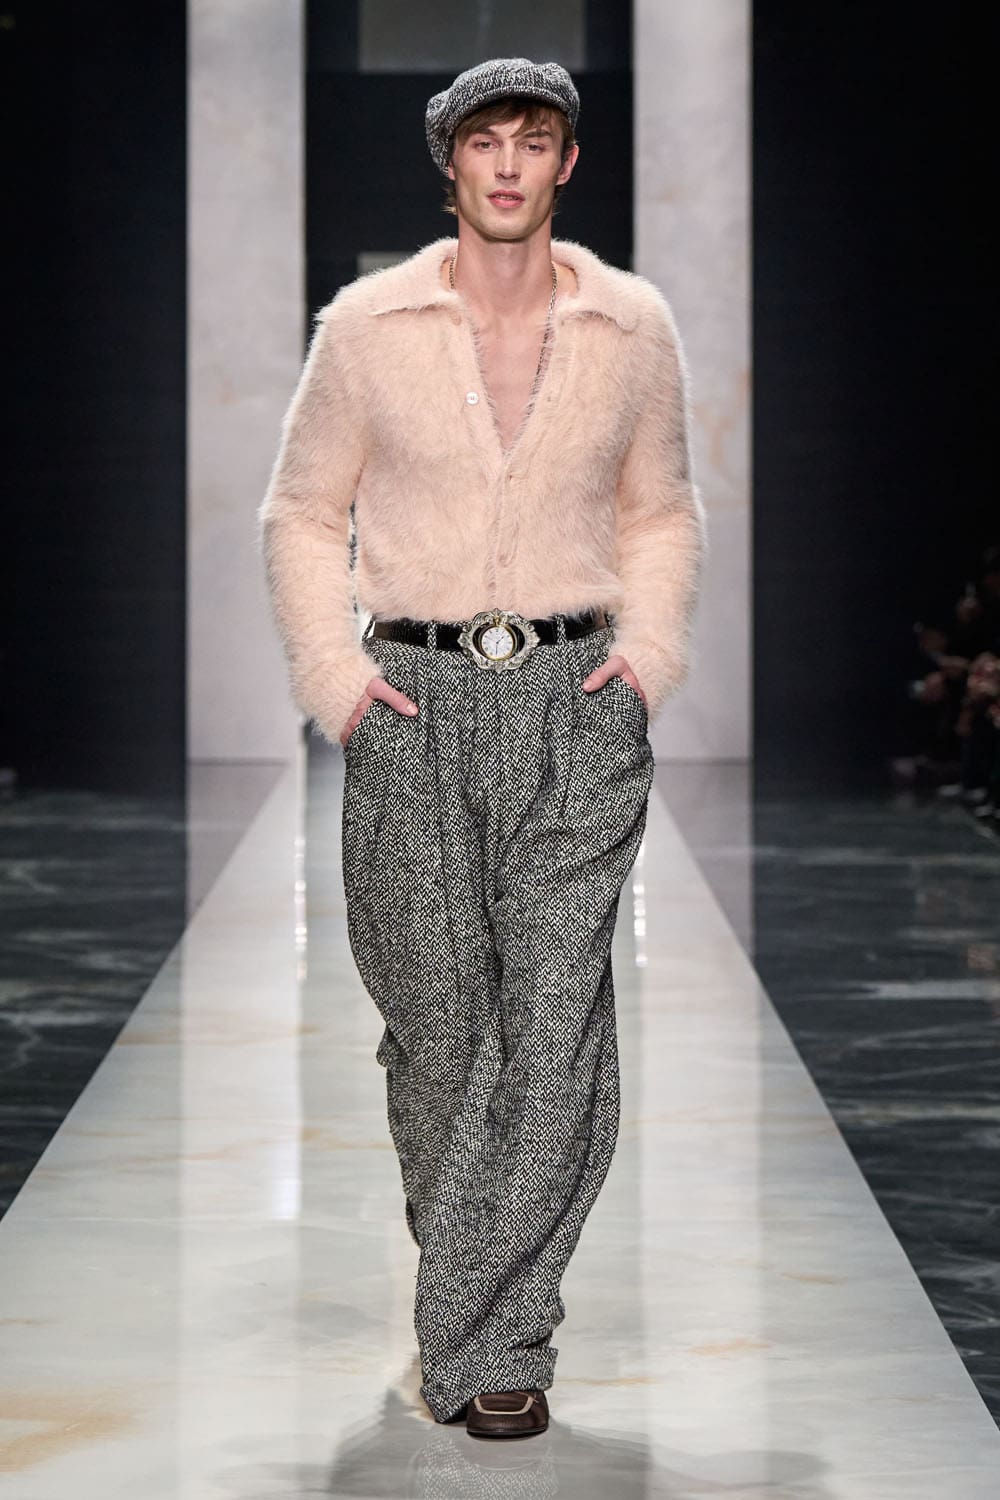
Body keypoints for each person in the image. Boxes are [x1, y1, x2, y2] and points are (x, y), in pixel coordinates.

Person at [258, 56, 708, 1439]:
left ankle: (501, 1342)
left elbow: (661, 509)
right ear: (448, 163)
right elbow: (300, 511)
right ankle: (472, 1298)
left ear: (568, 162)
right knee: (442, 1036)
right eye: (485, 142)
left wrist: (649, 658)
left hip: (577, 699)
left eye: (535, 140)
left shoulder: (632, 325)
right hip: (411, 703)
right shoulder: (367, 326)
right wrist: (336, 677)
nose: (508, 164)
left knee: (557, 1032)